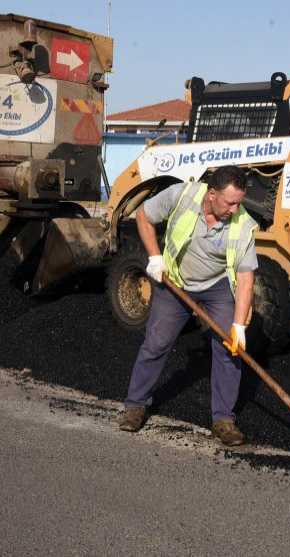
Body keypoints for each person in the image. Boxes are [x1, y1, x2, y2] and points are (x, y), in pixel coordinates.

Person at [117, 165, 258, 446]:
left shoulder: (243, 225)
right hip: (175, 281)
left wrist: (239, 326)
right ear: (212, 194)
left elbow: (245, 281)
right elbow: (143, 215)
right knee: (157, 342)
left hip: (216, 288)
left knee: (229, 349)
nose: (235, 208)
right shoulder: (182, 195)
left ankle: (223, 419)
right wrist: (155, 258)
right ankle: (135, 406)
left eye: (239, 202)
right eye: (230, 202)